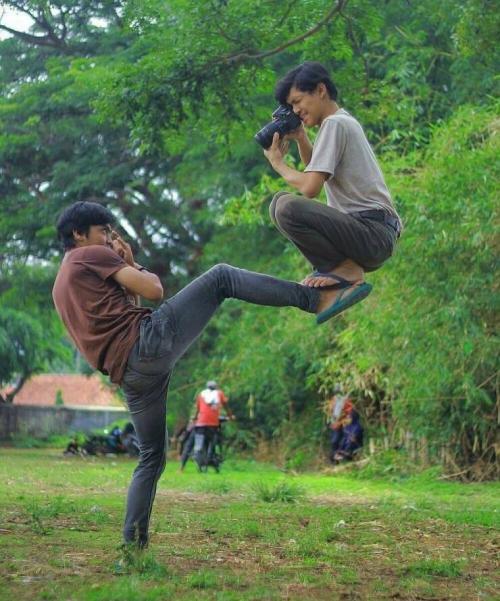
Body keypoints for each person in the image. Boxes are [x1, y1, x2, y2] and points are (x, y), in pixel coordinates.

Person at [52, 201, 343, 547]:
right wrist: (132, 263)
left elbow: (127, 309)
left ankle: (133, 548)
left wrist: (125, 266)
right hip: (146, 345)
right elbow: (154, 291)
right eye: (103, 232)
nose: (107, 239)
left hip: (130, 373)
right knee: (222, 277)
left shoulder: (62, 283)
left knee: (151, 458)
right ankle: (315, 300)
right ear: (78, 234)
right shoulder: (89, 254)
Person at [263, 61, 402, 321]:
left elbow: (310, 188)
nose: (296, 110)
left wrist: (278, 163)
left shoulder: (334, 124)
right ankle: (340, 268)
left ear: (320, 90)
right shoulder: (340, 122)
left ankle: (343, 269)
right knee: (278, 203)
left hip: (372, 232)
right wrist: (301, 137)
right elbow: (318, 174)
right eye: (291, 107)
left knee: (286, 207)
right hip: (369, 234)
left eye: (297, 101)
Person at [192, 381, 232, 471]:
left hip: (200, 423)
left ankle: (198, 455)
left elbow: (197, 409)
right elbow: (226, 405)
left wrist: (194, 418)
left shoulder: (201, 394)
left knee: (199, 442)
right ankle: (211, 457)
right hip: (212, 424)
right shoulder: (219, 393)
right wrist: (230, 415)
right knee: (213, 441)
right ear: (216, 387)